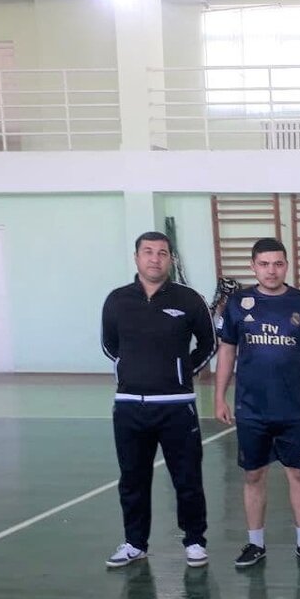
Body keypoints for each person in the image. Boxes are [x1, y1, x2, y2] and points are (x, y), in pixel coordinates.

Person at [101, 231, 217, 568]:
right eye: (148, 252)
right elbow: (109, 344)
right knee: (132, 479)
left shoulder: (189, 299)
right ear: (136, 257)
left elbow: (208, 343)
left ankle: (194, 541)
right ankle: (135, 543)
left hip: (176, 407)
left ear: (170, 259)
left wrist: (183, 371)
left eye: (162, 253)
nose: (155, 258)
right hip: (129, 407)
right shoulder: (117, 300)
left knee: (187, 478)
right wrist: (132, 369)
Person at [213, 238, 300, 568]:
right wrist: (219, 396)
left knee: (299, 474)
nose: (271, 270)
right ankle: (255, 544)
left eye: (278, 263)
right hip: (252, 408)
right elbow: (227, 351)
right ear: (253, 266)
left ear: (286, 265)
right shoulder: (238, 303)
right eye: (264, 264)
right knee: (253, 475)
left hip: (294, 408)